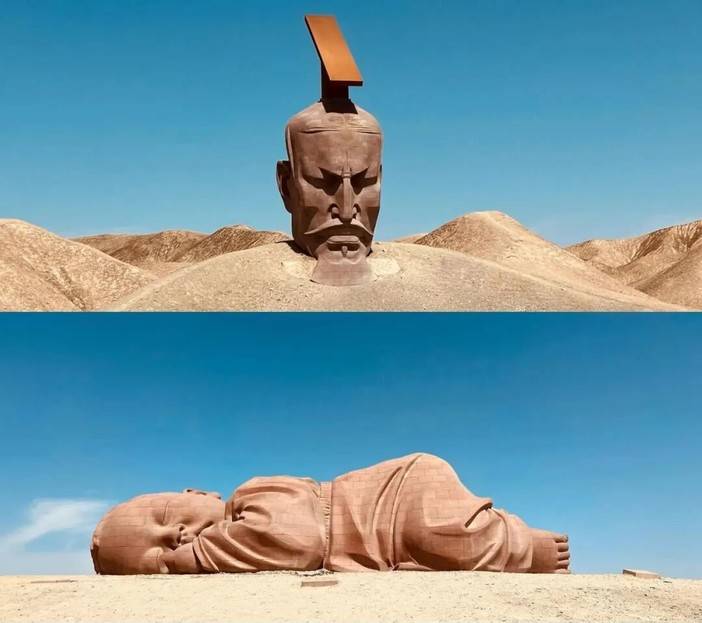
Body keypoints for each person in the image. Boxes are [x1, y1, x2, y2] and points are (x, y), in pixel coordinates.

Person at [91, 453, 570, 575]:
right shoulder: (236, 542)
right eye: (157, 556)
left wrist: (188, 560)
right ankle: (517, 544)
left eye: (165, 516)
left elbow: (296, 539)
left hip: (392, 498)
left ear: (197, 491)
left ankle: (524, 544)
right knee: (446, 548)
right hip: (380, 538)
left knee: (448, 535)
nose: (175, 535)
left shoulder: (253, 494)